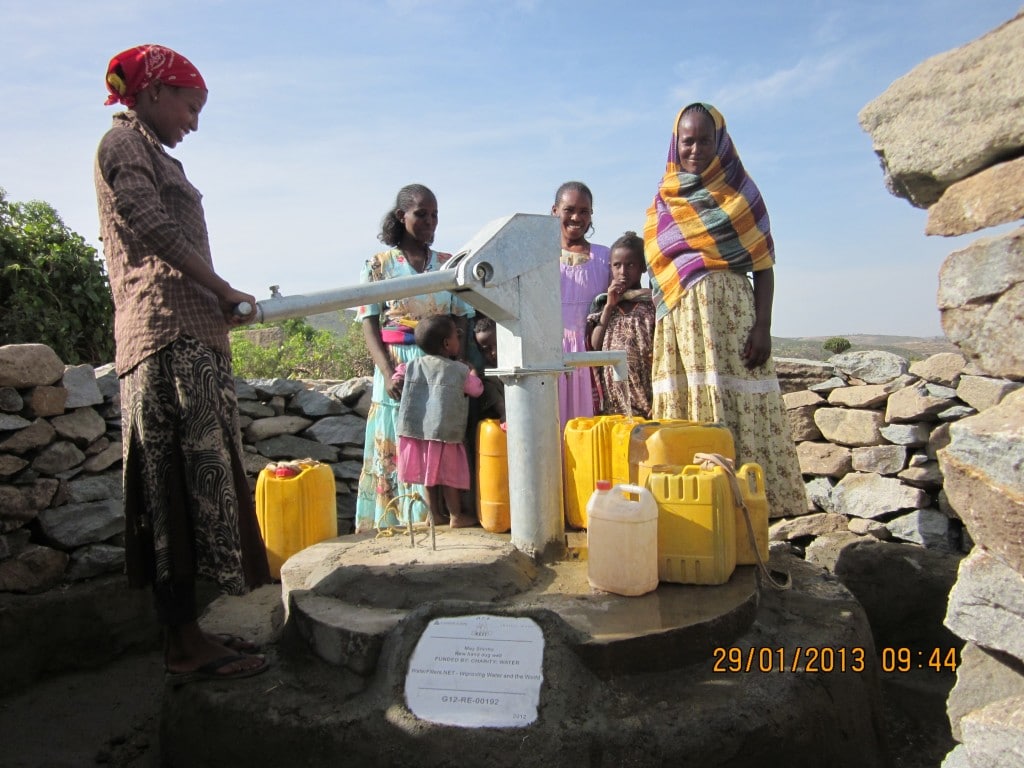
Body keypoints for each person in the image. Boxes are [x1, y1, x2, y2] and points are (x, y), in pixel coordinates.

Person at [94, 44, 270, 684]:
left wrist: (214, 301)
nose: (193, 122)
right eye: (190, 107)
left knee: (200, 494)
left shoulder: (155, 152)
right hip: (164, 339)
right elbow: (148, 225)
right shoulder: (122, 144)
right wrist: (220, 287)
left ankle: (191, 631)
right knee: (172, 491)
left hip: (191, 337)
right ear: (153, 92)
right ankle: (182, 646)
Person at [643, 102, 805, 518]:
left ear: (721, 143)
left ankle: (749, 513)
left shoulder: (742, 195)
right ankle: (693, 516)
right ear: (675, 144)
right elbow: (658, 270)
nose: (695, 149)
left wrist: (763, 326)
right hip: (683, 330)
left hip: (733, 325)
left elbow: (764, 266)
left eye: (705, 141)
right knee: (689, 415)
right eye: (688, 141)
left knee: (738, 408)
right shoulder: (664, 201)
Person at [354, 184, 475, 533]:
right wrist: (387, 372)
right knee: (399, 437)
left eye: (435, 215)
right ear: (401, 216)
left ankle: (439, 516)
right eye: (421, 214)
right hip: (398, 365)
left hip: (441, 368)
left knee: (439, 435)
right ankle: (398, 518)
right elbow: (369, 324)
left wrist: (460, 364)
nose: (430, 221)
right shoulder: (378, 266)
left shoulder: (448, 265)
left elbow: (463, 318)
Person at [393, 315, 483, 528]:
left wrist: (397, 380)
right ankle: (456, 516)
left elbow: (398, 377)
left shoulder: (412, 365)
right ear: (447, 344)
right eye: (456, 336)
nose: (459, 339)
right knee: (449, 477)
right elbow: (476, 389)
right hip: (445, 433)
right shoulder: (458, 370)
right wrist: (472, 371)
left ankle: (434, 515)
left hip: (418, 433)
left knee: (428, 476)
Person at [551, 181, 610, 432]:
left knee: (590, 429)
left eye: (584, 211)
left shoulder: (606, 258)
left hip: (591, 355)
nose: (576, 217)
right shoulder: (541, 257)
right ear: (555, 211)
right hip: (551, 356)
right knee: (552, 427)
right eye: (569, 210)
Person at [586, 231, 655, 419]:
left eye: (630, 265)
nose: (623, 272)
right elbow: (594, 347)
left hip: (646, 394)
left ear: (642, 267)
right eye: (617, 265)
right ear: (610, 267)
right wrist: (609, 307)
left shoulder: (652, 304)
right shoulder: (603, 304)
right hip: (614, 399)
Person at [471, 315, 506, 423]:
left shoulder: (516, 363)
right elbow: (494, 396)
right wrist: (504, 413)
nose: (494, 352)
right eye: (486, 349)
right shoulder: (487, 373)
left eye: (497, 344)